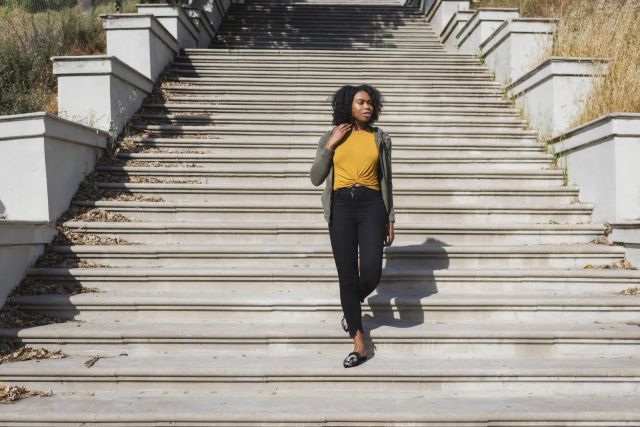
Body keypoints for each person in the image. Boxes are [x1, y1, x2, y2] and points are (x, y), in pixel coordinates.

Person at [309, 84, 395, 368]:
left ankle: (350, 307)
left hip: (372, 205)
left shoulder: (379, 138)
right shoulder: (331, 136)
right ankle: (359, 342)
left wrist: (390, 217)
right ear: (348, 105)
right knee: (347, 276)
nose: (367, 107)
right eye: (361, 102)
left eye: (370, 102)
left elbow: (387, 181)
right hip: (341, 207)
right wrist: (330, 145)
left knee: (371, 273)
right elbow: (316, 178)